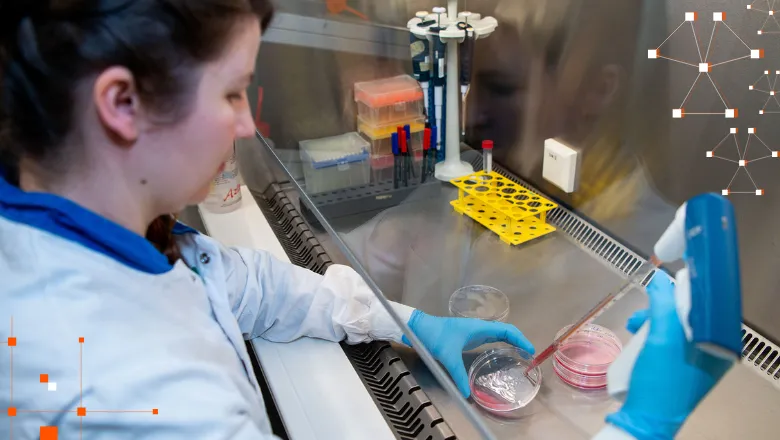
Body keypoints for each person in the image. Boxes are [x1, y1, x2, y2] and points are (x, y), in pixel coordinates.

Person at [0, 1, 535, 438]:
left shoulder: (75, 227)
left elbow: (246, 285)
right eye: (232, 92)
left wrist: (405, 321)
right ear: (121, 102)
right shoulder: (142, 398)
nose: (244, 124)